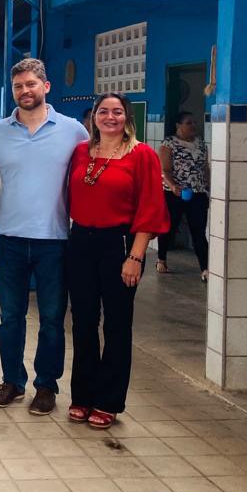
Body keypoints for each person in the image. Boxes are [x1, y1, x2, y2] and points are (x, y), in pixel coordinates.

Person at [0, 58, 89, 415]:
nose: (25, 91)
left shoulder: (74, 131)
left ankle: (46, 386)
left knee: (53, 318)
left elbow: (87, 177)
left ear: (46, 86)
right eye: (18, 86)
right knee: (10, 316)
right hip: (9, 238)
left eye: (31, 84)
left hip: (54, 240)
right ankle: (12, 381)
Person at [66, 93, 169, 429]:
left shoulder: (143, 156)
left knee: (116, 324)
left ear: (127, 117)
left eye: (117, 112)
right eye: (103, 111)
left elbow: (151, 208)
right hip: (81, 241)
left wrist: (136, 257)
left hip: (120, 243)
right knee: (82, 322)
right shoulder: (82, 152)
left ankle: (108, 400)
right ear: (94, 116)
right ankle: (82, 394)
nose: (110, 117)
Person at [157, 111, 210, 280]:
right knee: (169, 227)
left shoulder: (201, 145)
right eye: (189, 123)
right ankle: (161, 258)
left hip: (198, 193)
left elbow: (205, 168)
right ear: (178, 126)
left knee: (199, 231)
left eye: (194, 122)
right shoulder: (169, 144)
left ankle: (205, 269)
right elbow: (165, 170)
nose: (193, 126)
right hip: (174, 194)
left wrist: (209, 187)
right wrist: (173, 186)